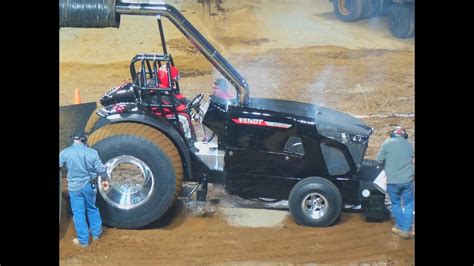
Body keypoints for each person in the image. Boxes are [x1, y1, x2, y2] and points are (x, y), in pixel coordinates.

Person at [59, 130, 110, 247]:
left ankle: (84, 241)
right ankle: (96, 234)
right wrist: (105, 180)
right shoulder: (93, 153)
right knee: (92, 208)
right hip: (90, 186)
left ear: (74, 139)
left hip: (74, 188)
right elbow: (101, 170)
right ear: (84, 139)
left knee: (78, 214)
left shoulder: (65, 153)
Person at [376, 126, 414, 239]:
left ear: (393, 134)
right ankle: (406, 229)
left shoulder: (387, 143)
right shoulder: (409, 145)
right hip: (408, 180)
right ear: (404, 135)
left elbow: (378, 159)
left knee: (396, 204)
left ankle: (400, 226)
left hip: (392, 181)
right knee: (408, 204)